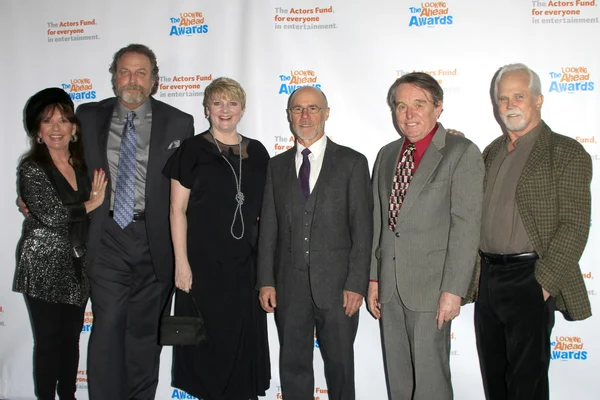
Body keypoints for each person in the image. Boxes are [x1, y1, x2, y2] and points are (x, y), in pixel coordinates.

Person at [465, 63, 592, 400]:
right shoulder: (490, 152)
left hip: (531, 277)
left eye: (518, 96)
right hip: (488, 278)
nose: (509, 105)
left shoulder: (565, 152)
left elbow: (575, 225)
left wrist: (544, 284)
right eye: (503, 99)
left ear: (538, 99)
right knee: (495, 381)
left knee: (527, 386)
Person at [76, 44, 195, 399]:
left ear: (154, 80)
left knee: (146, 335)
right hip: (106, 237)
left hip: (155, 241)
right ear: (114, 77)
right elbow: (59, 161)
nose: (133, 80)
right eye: (125, 72)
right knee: (108, 327)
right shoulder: (86, 116)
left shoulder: (179, 122)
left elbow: (192, 186)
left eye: (141, 73)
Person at [367, 72, 484, 400]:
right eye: (401, 106)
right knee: (399, 381)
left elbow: (466, 226)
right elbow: (379, 222)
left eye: (419, 104)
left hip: (432, 289)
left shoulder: (461, 152)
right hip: (390, 288)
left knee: (431, 382)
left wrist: (453, 290)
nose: (409, 114)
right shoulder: (387, 154)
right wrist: (375, 279)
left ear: (438, 107)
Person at [257, 86, 373, 400]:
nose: (305, 116)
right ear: (289, 116)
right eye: (298, 109)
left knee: (340, 368)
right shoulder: (276, 167)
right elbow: (269, 228)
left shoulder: (352, 163)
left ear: (326, 113)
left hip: (338, 289)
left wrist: (356, 283)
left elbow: (363, 230)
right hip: (289, 286)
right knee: (293, 367)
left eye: (313, 108)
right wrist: (266, 281)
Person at [163, 77, 270, 399]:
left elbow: (268, 214)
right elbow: (176, 210)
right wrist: (181, 264)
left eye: (233, 103)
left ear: (243, 109)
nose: (226, 110)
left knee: (241, 343)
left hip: (245, 266)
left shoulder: (260, 152)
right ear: (207, 108)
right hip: (201, 265)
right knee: (206, 349)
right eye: (218, 103)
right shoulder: (191, 150)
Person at [14, 87, 107, 400]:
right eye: (48, 122)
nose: (56, 128)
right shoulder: (32, 168)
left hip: (78, 266)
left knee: (71, 340)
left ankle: (68, 396)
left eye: (63, 121)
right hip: (42, 265)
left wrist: (97, 205)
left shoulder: (85, 166)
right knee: (49, 342)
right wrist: (92, 204)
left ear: (74, 128)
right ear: (38, 131)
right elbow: (52, 214)